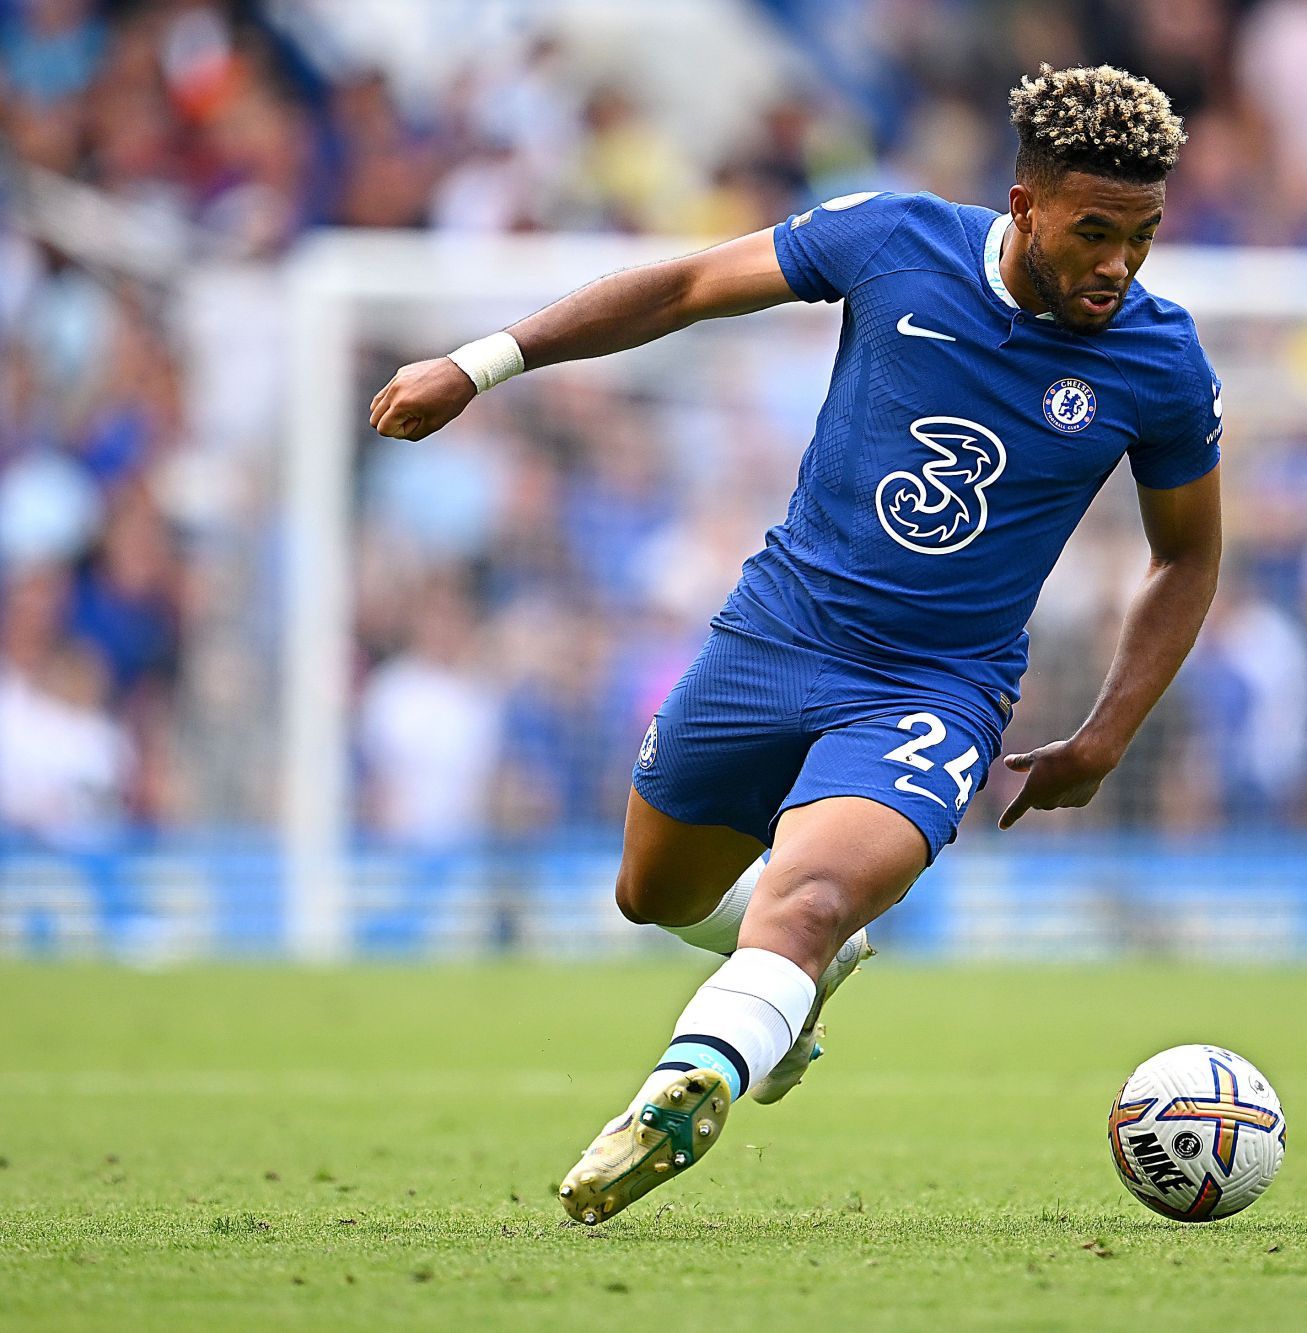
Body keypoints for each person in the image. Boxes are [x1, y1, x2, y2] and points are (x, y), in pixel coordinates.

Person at [369, 65, 1223, 1225]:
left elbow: (1185, 556)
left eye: (1142, 235)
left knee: (809, 897)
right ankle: (802, 973)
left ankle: (684, 1089)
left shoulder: (1160, 361)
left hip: (936, 688)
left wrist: (1108, 734)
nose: (1119, 265)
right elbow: (682, 285)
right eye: (1094, 232)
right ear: (1025, 209)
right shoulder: (893, 240)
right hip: (775, 633)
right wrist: (479, 365)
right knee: (653, 893)